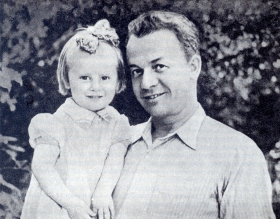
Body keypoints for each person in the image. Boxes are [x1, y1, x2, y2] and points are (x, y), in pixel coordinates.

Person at [113, 11, 276, 219]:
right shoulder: (119, 143)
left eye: (159, 67)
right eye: (137, 71)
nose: (146, 83)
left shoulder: (237, 155)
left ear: (193, 67)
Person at [21, 19, 130, 219]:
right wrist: (71, 204)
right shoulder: (54, 124)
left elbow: (115, 161)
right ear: (67, 79)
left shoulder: (117, 123)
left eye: (104, 78)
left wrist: (103, 192)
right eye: (85, 78)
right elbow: (42, 167)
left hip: (95, 204)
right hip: (59, 204)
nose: (95, 87)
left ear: (118, 80)